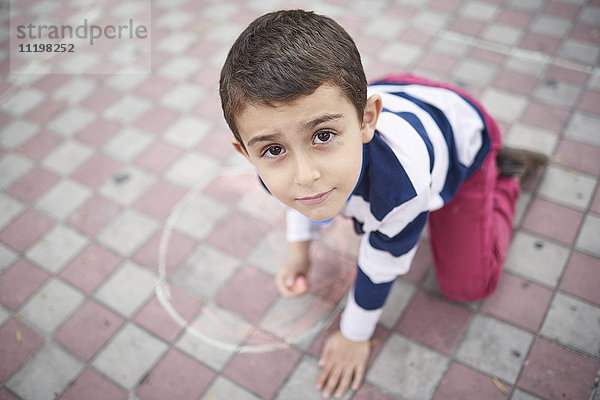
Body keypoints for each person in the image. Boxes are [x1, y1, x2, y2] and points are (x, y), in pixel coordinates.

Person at [219, 9, 546, 399]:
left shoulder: (400, 189)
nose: (303, 176)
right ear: (247, 153)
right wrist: (298, 252)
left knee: (467, 285)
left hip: (461, 132)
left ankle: (501, 176)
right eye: (273, 149)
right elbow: (295, 196)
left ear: (366, 120)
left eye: (323, 136)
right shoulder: (278, 164)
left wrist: (354, 335)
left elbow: (380, 264)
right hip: (397, 97)